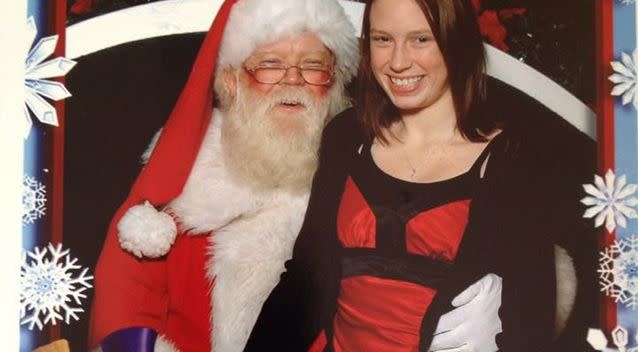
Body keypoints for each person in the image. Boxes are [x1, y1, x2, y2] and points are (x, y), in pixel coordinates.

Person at [88, 0, 508, 351]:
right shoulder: (185, 187)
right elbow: (126, 303)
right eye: (270, 65)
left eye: (313, 66)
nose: (293, 81)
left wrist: (511, 316)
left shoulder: (356, 158)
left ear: (336, 81)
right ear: (232, 82)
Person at [246, 0, 596, 351]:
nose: (398, 62)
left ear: (455, 42)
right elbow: (304, 285)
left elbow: (530, 324)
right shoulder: (346, 136)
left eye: (420, 40)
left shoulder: (512, 161)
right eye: (383, 39)